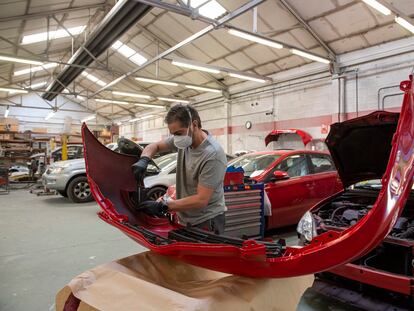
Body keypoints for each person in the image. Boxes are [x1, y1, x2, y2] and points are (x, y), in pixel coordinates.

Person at [132, 104, 227, 234]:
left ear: (194, 124)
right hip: (186, 217)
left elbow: (201, 200)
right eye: (173, 134)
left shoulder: (212, 155)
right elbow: (155, 146)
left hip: (207, 221)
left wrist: (163, 206)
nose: (176, 138)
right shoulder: (185, 138)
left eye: (178, 133)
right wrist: (144, 159)